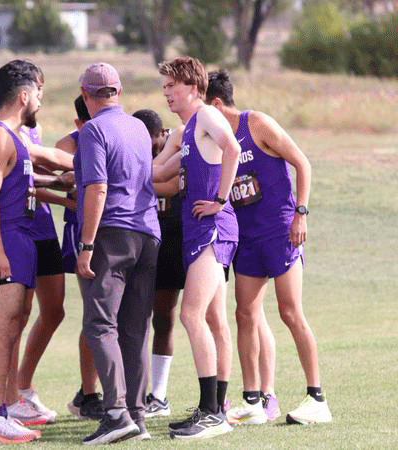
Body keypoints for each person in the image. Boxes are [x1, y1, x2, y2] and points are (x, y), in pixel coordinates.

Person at [205, 69, 332, 425]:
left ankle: (316, 398)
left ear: (216, 104)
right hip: (248, 238)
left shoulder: (256, 124)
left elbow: (303, 164)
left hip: (281, 231)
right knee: (244, 314)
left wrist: (301, 215)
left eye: (204, 110)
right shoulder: (215, 140)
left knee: (290, 312)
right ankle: (252, 401)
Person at [0, 59, 62, 444]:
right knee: (4, 327)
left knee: (16, 323)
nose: (41, 98)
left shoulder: (17, 137)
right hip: (3, 240)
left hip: (21, 238)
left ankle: (5, 409)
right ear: (24, 95)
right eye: (38, 92)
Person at [153, 56, 240, 439]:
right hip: (196, 231)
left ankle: (211, 413)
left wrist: (221, 199)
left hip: (213, 228)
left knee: (191, 315)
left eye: (172, 86)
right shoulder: (186, 130)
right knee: (216, 319)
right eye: (165, 87)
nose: (166, 93)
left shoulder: (206, 116)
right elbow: (157, 173)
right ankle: (215, 407)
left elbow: (233, 148)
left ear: (192, 86)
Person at [75, 63, 161, 444]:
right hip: (148, 235)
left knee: (99, 324)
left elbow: (97, 188)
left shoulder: (93, 129)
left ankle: (115, 413)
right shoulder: (139, 127)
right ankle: (137, 417)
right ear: (119, 92)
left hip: (110, 235)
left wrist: (86, 244)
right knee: (135, 328)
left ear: (85, 94)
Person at [132, 109, 184, 418]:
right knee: (135, 319)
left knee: (165, 317)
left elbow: (170, 185)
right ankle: (133, 396)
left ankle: (159, 396)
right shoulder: (136, 155)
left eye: (150, 141)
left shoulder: (177, 148)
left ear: (160, 135)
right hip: (140, 243)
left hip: (174, 243)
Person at [57, 96, 104, 421]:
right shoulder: (68, 145)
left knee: (114, 313)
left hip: (115, 231)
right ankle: (89, 394)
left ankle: (111, 392)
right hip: (82, 233)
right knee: (94, 311)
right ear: (79, 124)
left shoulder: (114, 132)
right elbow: (71, 187)